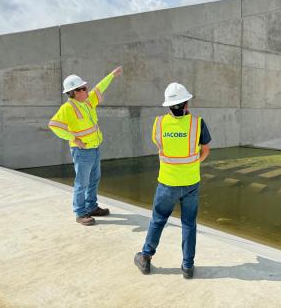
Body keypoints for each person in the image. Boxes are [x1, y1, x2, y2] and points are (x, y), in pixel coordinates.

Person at [134, 82, 211, 278]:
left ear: (168, 105)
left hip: (167, 183)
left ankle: (146, 257)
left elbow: (160, 145)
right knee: (189, 224)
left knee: (158, 220)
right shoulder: (198, 123)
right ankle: (187, 266)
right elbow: (205, 151)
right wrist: (193, 163)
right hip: (191, 183)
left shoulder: (158, 124)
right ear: (186, 104)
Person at [48, 66, 123, 226]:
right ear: (74, 92)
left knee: (94, 179)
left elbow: (99, 87)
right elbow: (54, 125)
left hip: (94, 148)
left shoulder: (88, 102)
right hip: (82, 151)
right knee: (82, 183)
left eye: (85, 87)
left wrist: (112, 75)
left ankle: (91, 207)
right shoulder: (67, 108)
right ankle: (80, 213)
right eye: (82, 88)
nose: (86, 90)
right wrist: (74, 139)